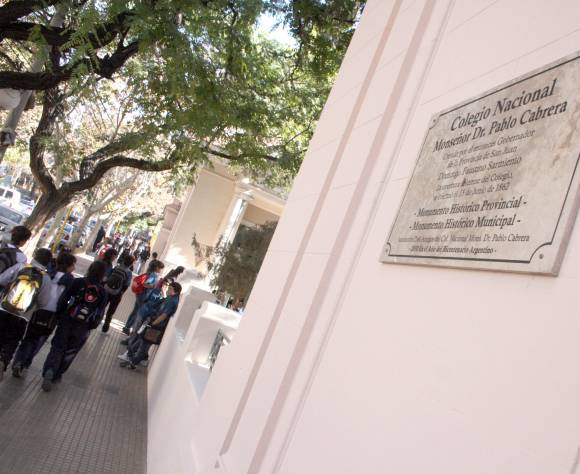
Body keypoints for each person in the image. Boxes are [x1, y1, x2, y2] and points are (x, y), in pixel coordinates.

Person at [41, 261, 108, 392]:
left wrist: (59, 314)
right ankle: (57, 374)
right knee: (70, 351)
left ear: (90, 269)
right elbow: (100, 312)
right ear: (103, 274)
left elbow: (64, 298)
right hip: (83, 326)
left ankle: (50, 370)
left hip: (67, 319)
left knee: (58, 346)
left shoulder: (78, 282)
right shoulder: (102, 292)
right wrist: (92, 325)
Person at [11, 251, 76, 377]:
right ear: (68, 265)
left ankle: (18, 361)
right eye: (73, 265)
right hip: (53, 314)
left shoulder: (48, 273)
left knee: (29, 337)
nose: (74, 268)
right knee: (39, 340)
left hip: (38, 308)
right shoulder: (70, 280)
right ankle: (25, 362)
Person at [0, 246, 52, 381]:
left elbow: (2, 279)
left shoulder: (20, 267)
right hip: (22, 316)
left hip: (3, 308)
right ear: (48, 263)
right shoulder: (45, 278)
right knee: (12, 340)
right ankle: (3, 361)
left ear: (34, 256)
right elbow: (44, 302)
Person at [119, 282, 182, 369]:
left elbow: (164, 315)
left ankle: (133, 363)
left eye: (170, 288)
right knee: (140, 342)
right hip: (153, 323)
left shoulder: (172, 301)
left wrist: (153, 324)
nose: (168, 290)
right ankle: (132, 358)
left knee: (143, 346)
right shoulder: (170, 298)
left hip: (156, 327)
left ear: (174, 290)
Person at [122, 259, 164, 335]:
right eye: (160, 268)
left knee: (135, 311)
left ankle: (127, 327)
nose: (161, 270)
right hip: (143, 296)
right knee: (138, 313)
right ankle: (130, 329)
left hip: (140, 294)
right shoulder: (153, 275)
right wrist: (154, 286)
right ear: (157, 267)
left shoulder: (149, 273)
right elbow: (146, 284)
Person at [101, 254, 134, 333]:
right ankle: (105, 327)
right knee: (110, 312)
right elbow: (126, 285)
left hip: (107, 290)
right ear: (131, 263)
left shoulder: (116, 267)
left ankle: (96, 319)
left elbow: (108, 277)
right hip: (117, 294)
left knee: (102, 306)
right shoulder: (129, 272)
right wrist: (121, 293)